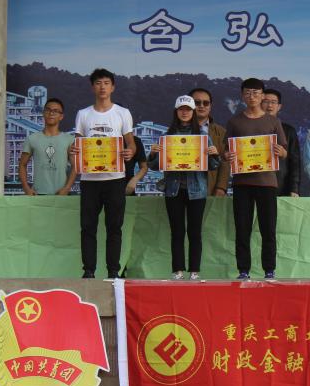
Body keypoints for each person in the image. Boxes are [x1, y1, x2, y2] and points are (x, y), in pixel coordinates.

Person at [148, 95, 220, 281]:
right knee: (177, 232)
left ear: (193, 112)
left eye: (188, 109)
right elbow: (155, 166)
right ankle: (177, 270)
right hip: (173, 190)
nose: (185, 112)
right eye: (181, 109)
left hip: (197, 191)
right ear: (176, 112)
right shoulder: (166, 137)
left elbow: (213, 166)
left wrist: (214, 154)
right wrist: (153, 154)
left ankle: (195, 271)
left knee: (195, 232)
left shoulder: (203, 137)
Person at [72, 68, 135, 278]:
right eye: (98, 83)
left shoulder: (122, 113)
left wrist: (129, 151)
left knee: (114, 227)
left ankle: (113, 272)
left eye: (106, 83)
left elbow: (131, 144)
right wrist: (73, 151)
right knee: (87, 227)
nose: (102, 87)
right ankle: (88, 271)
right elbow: (78, 144)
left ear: (113, 87)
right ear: (93, 87)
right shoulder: (83, 114)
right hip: (89, 180)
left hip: (115, 179)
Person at [224, 78, 288, 280]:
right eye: (248, 93)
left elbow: (284, 150)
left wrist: (280, 151)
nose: (252, 97)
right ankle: (243, 270)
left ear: (262, 96)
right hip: (242, 183)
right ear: (242, 96)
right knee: (242, 229)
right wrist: (227, 155)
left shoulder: (273, 121)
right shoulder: (234, 121)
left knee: (268, 229)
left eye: (256, 93)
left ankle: (269, 269)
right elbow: (226, 150)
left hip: (267, 183)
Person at [18, 97, 78, 196]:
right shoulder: (32, 139)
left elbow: (75, 166)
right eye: (48, 110)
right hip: (37, 195)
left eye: (56, 111)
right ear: (43, 113)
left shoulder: (69, 140)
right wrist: (26, 188)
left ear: (61, 116)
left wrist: (67, 188)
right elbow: (22, 164)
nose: (51, 113)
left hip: (61, 195)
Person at [189, 87, 230, 196]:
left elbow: (225, 162)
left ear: (210, 106)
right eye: (197, 103)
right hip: (183, 188)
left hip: (210, 189)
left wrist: (221, 188)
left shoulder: (221, 132)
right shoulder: (176, 131)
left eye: (206, 103)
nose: (201, 106)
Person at [262, 88, 301, 197]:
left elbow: (295, 162)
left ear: (279, 106)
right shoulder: (250, 128)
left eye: (273, 102)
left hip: (281, 185)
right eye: (266, 101)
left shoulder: (289, 130)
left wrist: (294, 188)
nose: (269, 105)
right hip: (255, 184)